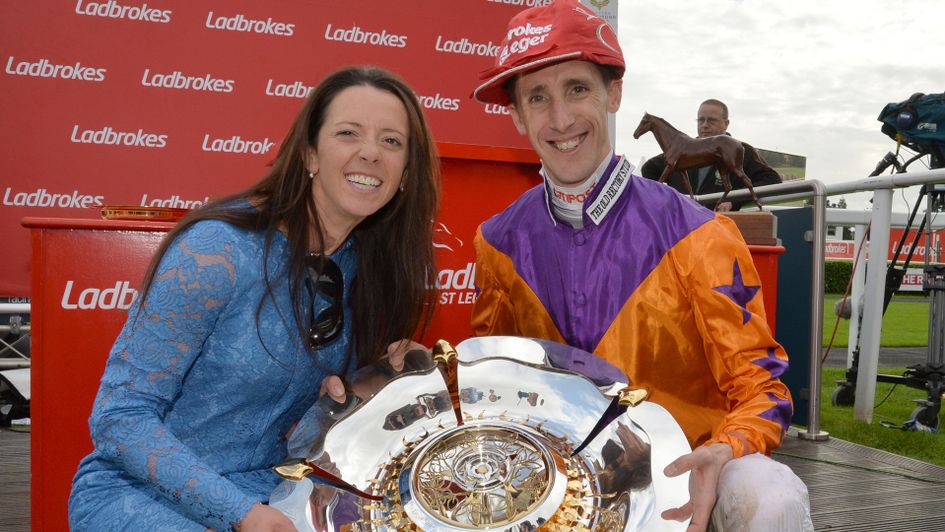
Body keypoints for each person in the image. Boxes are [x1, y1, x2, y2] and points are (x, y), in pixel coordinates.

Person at [470, 1, 812, 531]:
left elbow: (762, 387)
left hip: (685, 478)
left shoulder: (699, 232)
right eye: (538, 97)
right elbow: (489, 386)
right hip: (557, 492)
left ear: (614, 93)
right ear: (516, 114)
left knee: (774, 497)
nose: (560, 119)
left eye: (578, 89)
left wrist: (729, 448)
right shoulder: (497, 242)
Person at [68, 66, 440, 531]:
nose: (370, 153)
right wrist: (239, 513)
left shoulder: (371, 271)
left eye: (391, 142)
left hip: (272, 491)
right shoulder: (216, 251)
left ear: (406, 172)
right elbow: (119, 418)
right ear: (309, 154)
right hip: (142, 497)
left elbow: (300, 427)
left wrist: (386, 383)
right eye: (348, 133)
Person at [641, 98, 782, 211]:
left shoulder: (743, 151)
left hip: (720, 228)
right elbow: (648, 169)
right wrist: (669, 197)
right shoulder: (680, 150)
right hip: (682, 227)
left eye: (711, 120)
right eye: (701, 120)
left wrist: (734, 200)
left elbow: (771, 179)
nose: (705, 125)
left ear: (726, 124)